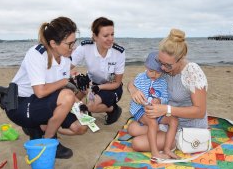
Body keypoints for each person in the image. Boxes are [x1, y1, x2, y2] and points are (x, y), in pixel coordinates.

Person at [6, 16, 87, 159]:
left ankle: (41, 127)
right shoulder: (36, 54)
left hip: (43, 102)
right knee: (67, 94)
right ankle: (48, 142)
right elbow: (41, 91)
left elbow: (57, 93)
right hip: (20, 104)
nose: (73, 47)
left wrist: (81, 107)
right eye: (69, 44)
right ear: (53, 43)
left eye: (74, 42)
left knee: (82, 126)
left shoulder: (66, 60)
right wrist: (65, 81)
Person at [127, 28, 208, 156]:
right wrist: (133, 90)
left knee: (137, 143)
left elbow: (200, 111)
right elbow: (136, 80)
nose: (163, 68)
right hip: (166, 120)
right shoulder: (163, 70)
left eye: (167, 65)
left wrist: (166, 109)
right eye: (160, 62)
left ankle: (171, 144)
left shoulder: (192, 72)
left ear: (180, 58)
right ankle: (161, 135)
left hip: (186, 127)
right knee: (132, 129)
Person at [71, 17, 125, 125]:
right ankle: (84, 112)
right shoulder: (85, 47)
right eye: (106, 35)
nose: (111, 39)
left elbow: (117, 83)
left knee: (91, 106)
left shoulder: (119, 52)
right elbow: (66, 67)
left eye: (112, 34)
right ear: (95, 36)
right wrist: (77, 76)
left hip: (111, 87)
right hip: (92, 83)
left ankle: (113, 109)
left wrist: (98, 87)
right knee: (72, 99)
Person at [129, 51, 178, 160]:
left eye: (158, 72)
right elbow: (133, 92)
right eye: (151, 71)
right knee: (152, 122)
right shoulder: (140, 78)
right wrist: (138, 98)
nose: (154, 75)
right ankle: (155, 152)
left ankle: (167, 148)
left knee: (173, 120)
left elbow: (165, 97)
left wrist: (159, 100)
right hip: (141, 110)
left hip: (157, 110)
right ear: (146, 67)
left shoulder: (163, 81)